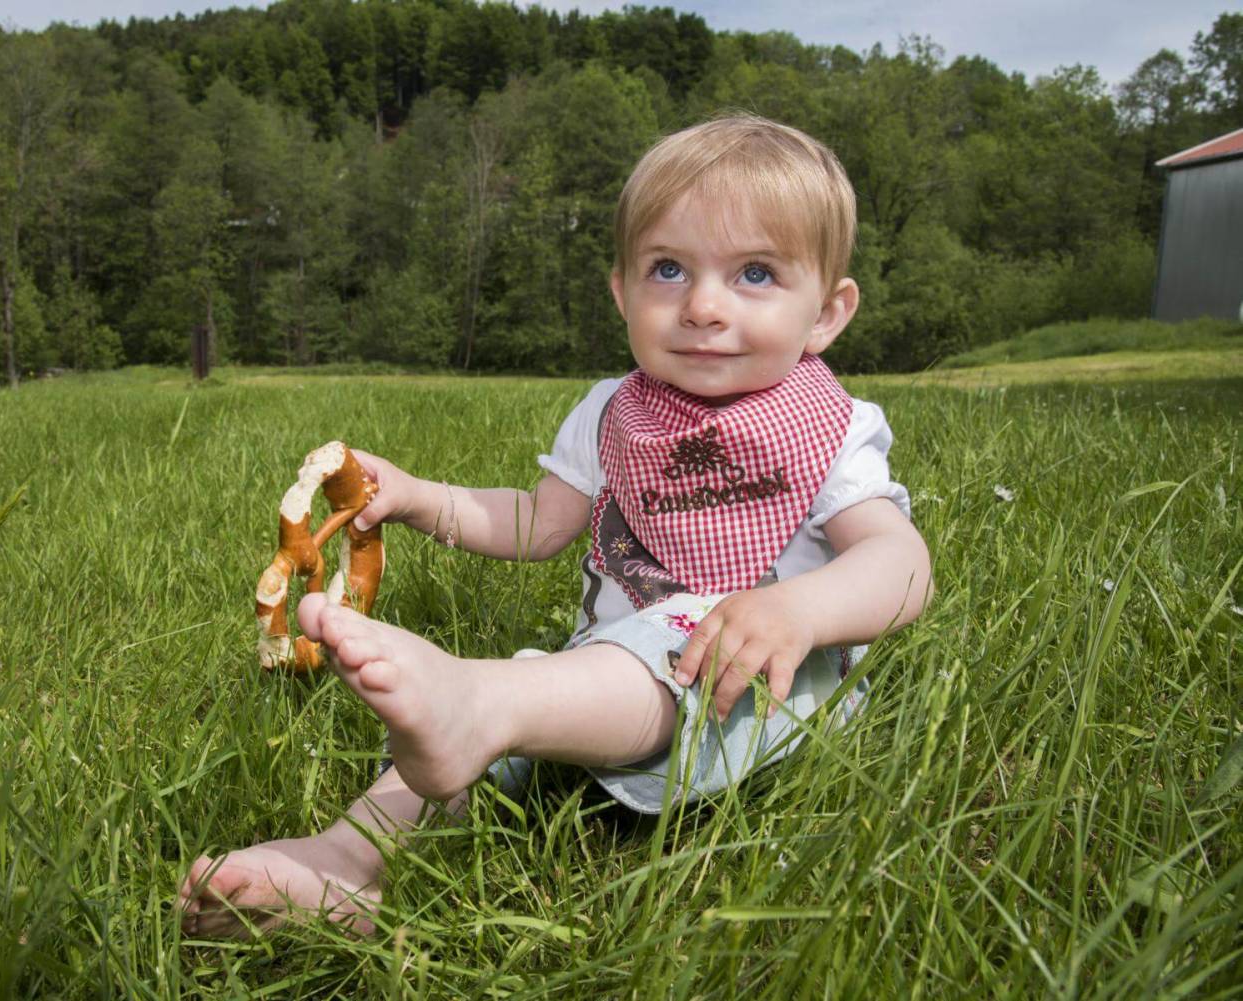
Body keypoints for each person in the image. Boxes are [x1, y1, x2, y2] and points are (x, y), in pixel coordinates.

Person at [178, 115, 933, 938]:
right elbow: (537, 521)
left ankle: (479, 701)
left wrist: (800, 610)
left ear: (826, 312)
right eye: (668, 269)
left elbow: (901, 563)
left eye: (755, 272)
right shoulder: (614, 412)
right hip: (597, 682)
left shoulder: (831, 427)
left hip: (757, 690)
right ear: (622, 292)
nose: (703, 306)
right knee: (498, 720)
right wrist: (422, 496)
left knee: (519, 694)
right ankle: (341, 864)